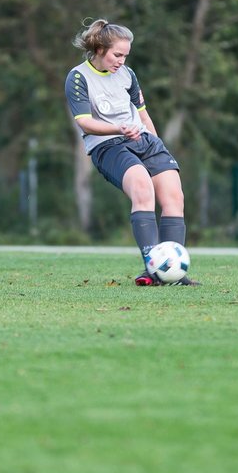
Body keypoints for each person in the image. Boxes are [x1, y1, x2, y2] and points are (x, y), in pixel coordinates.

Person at [65, 19, 198, 286]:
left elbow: (143, 115)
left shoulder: (128, 74)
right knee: (142, 187)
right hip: (108, 146)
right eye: (117, 54)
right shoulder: (78, 77)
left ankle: (173, 273)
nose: (121, 61)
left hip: (144, 141)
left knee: (174, 195)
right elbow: (84, 122)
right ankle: (153, 269)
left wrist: (157, 145)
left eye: (126, 55)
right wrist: (119, 128)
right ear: (100, 48)